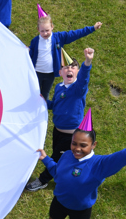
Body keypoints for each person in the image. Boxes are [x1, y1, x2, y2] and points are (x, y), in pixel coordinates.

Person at [37, 110, 126, 219]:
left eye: (83, 145)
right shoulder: (66, 155)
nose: (77, 149)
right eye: (74, 143)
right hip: (58, 203)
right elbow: (58, 173)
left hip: (80, 211)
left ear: (93, 145)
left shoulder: (99, 165)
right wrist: (46, 159)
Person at [26, 47, 95, 191]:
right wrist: (43, 101)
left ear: (77, 72)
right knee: (63, 156)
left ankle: (43, 180)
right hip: (57, 131)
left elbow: (84, 80)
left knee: (56, 157)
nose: (69, 69)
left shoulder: (78, 89)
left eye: (73, 67)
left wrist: (87, 62)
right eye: (65, 67)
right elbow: (56, 105)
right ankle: (73, 175)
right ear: (60, 73)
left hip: (71, 134)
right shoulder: (59, 87)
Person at [29, 5, 102, 100]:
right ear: (38, 30)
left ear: (52, 27)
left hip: (50, 74)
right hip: (36, 72)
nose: (45, 33)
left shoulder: (59, 37)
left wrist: (92, 28)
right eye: (42, 31)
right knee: (34, 94)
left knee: (45, 95)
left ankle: (42, 112)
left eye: (47, 30)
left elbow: (76, 34)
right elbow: (30, 55)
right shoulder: (35, 41)